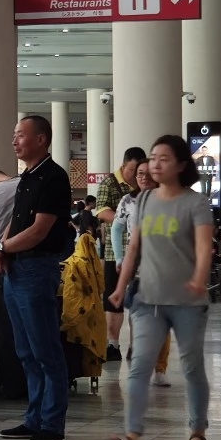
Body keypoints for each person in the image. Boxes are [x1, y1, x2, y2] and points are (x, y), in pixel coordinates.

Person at [103, 135, 214, 440]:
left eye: (164, 158)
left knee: (192, 367)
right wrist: (121, 286)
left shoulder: (195, 203)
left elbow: (204, 248)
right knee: (139, 366)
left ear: (180, 165)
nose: (155, 164)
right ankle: (132, 437)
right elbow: (134, 247)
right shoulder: (144, 201)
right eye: (153, 158)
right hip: (148, 298)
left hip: (187, 301)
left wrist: (199, 279)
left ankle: (197, 430)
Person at [0, 115, 73, 440]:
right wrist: (1, 250)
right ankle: (34, 418)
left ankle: (52, 423)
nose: (14, 141)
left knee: (45, 349)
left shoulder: (53, 177)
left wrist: (1, 248)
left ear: (41, 139)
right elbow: (16, 221)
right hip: (17, 268)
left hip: (37, 269)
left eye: (20, 135)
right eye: (14, 134)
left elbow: (39, 231)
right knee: (25, 350)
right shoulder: (26, 177)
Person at [113, 159, 173, 382]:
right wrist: (119, 258)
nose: (143, 178)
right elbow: (116, 230)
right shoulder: (128, 201)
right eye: (139, 173)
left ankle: (160, 368)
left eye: (148, 174)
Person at [95, 147, 147, 363]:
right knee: (113, 301)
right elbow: (101, 211)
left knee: (138, 302)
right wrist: (124, 218)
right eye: (133, 171)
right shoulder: (109, 183)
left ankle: (136, 346)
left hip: (143, 258)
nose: (137, 176)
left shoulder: (150, 189)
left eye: (141, 172)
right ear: (124, 166)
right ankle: (112, 344)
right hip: (114, 252)